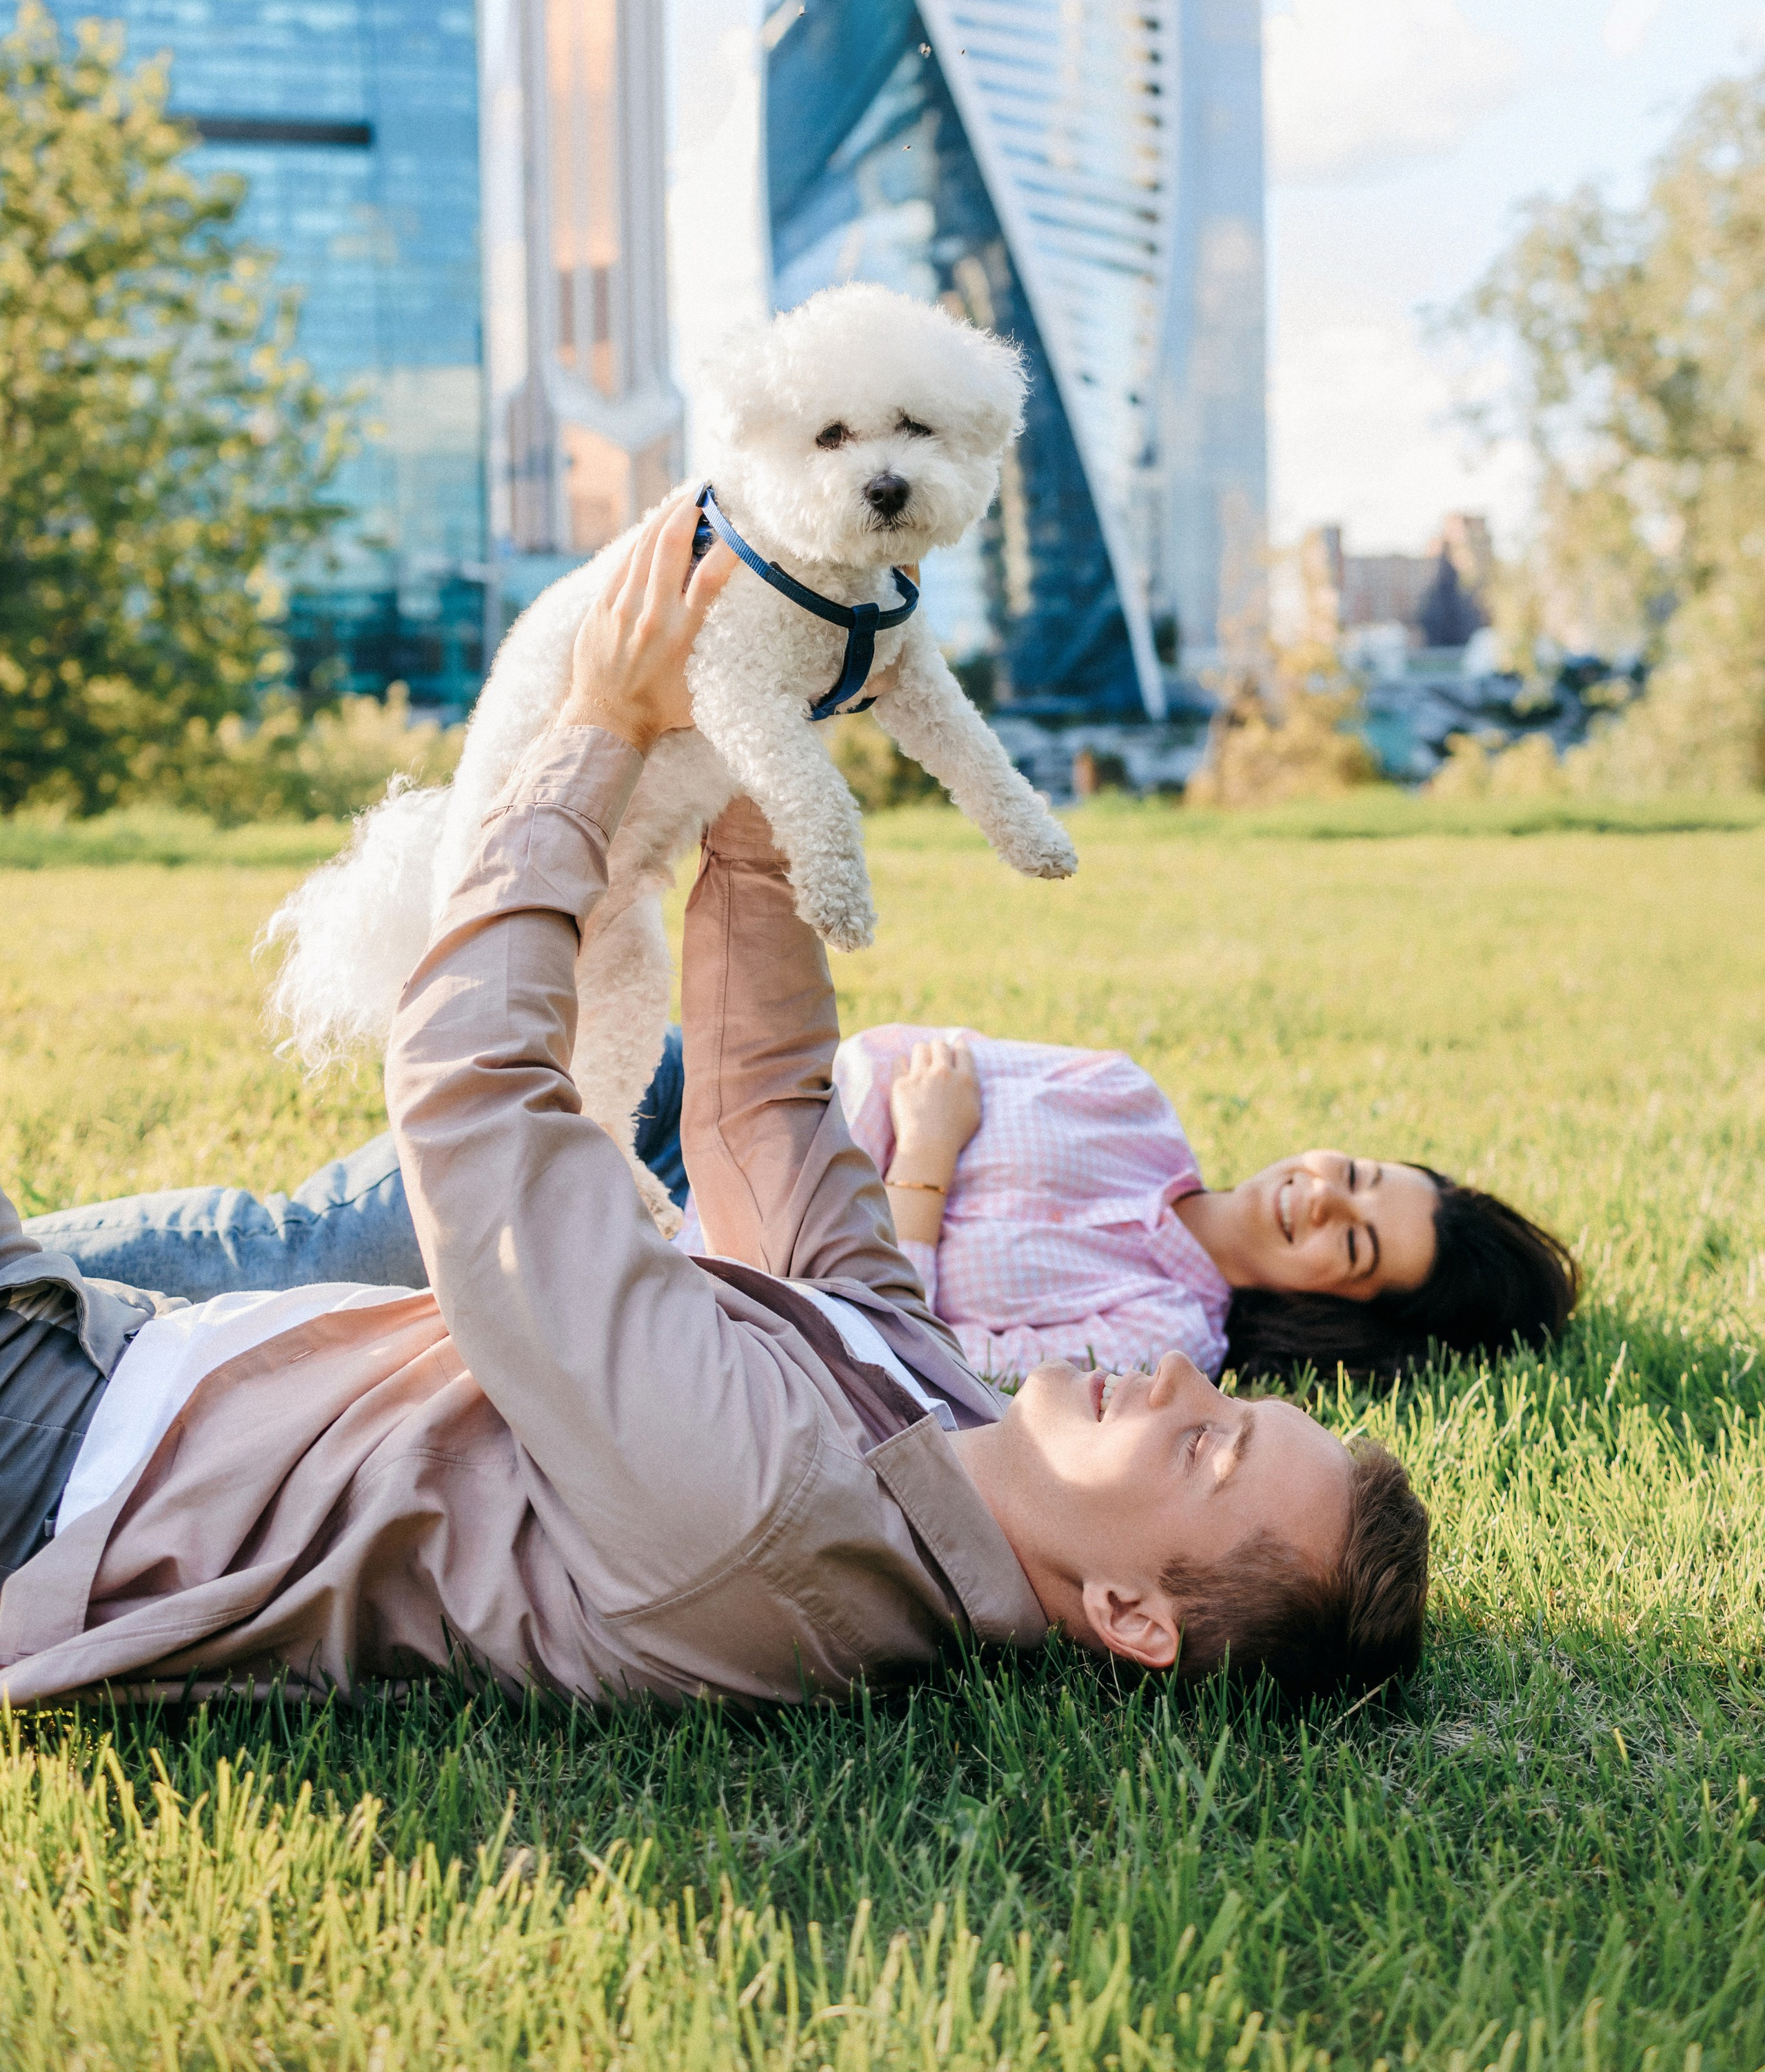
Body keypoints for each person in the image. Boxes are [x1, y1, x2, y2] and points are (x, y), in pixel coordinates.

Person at [0, 496, 1426, 1707]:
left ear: (1128, 1613)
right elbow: (764, 1118)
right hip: (125, 1360)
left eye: (1200, 1445)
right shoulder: (941, 1426)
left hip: (58, 1466)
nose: (1179, 1382)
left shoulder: (764, 1518)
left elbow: (477, 1105)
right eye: (1223, 1400)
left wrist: (600, 730)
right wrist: (768, 752)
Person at [37, 1027, 1577, 1395]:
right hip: (693, 1084)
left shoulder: (1160, 1336)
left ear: (1335, 1307)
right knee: (306, 1235)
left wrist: (919, 1167)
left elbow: (915, 1363)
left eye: (1352, 1243)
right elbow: (900, 1048)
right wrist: (905, 1117)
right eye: (1360, 1175)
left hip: (671, 1265)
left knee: (303, 1312)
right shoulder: (1125, 1094)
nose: (1322, 1197)